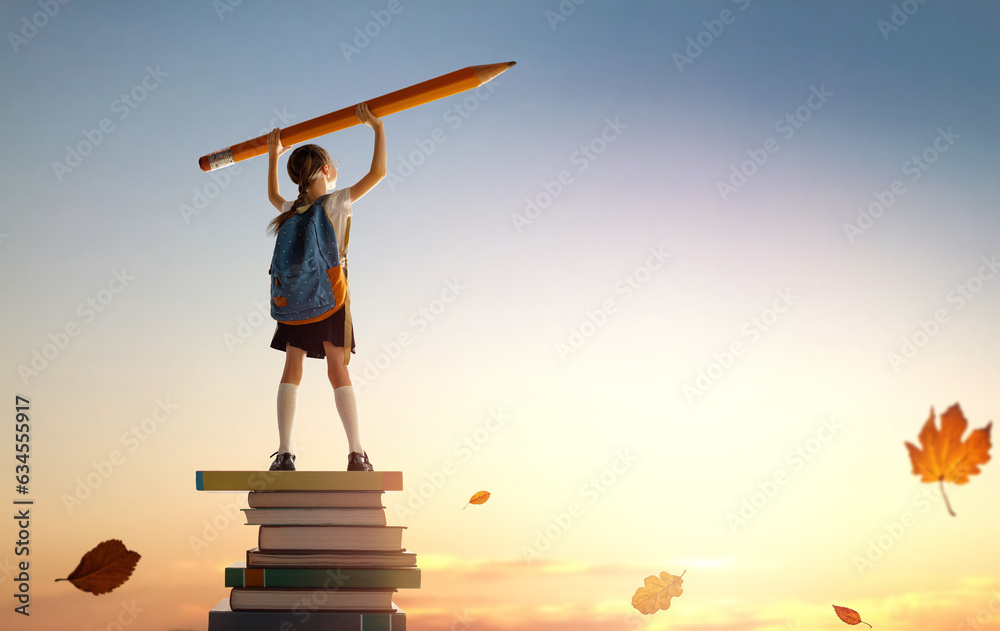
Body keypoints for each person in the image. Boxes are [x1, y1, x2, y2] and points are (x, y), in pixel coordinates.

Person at [264, 102, 386, 472]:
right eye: (331, 161)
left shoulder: (290, 209)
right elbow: (378, 173)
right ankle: (356, 453)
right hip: (330, 296)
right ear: (324, 170)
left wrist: (272, 154)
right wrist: (377, 128)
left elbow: (273, 195)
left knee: (292, 367)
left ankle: (284, 453)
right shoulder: (337, 201)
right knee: (338, 366)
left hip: (293, 299)